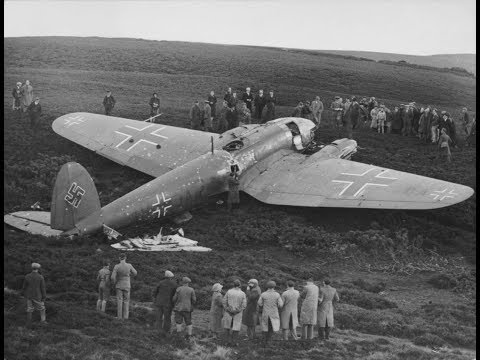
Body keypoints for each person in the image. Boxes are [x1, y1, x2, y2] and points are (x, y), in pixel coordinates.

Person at [111, 253, 137, 320]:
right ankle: (125, 317)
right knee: (126, 301)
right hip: (127, 285)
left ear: (119, 258)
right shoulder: (129, 265)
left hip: (119, 285)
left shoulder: (116, 266)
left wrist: (114, 282)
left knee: (119, 300)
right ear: (125, 258)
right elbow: (135, 273)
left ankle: (119, 317)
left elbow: (112, 277)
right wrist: (130, 275)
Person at [257, 280, 284, 345]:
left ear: (267, 287)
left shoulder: (263, 294)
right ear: (274, 286)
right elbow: (281, 305)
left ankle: (264, 341)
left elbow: (259, 303)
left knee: (265, 327)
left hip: (266, 313)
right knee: (272, 327)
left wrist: (264, 304)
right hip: (274, 313)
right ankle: (270, 341)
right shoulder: (277, 294)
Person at [222, 279, 246, 346]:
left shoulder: (229, 292)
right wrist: (237, 311)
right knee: (236, 328)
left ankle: (227, 342)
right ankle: (234, 342)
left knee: (227, 327)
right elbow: (244, 305)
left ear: (233, 285)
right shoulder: (242, 293)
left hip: (228, 312)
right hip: (237, 313)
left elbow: (224, 301)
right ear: (240, 285)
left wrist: (227, 309)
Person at [153, 270, 177, 337]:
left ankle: (158, 331)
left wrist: (155, 299)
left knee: (158, 317)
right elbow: (175, 295)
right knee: (167, 318)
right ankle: (166, 332)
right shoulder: (174, 284)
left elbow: (155, 292)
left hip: (159, 303)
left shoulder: (160, 283)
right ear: (170, 277)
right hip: (168, 304)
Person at [23, 262, 47, 327]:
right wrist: (44, 296)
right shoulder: (40, 277)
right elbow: (43, 288)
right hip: (38, 296)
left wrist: (25, 294)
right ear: (38, 269)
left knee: (30, 309)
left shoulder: (27, 276)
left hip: (29, 296)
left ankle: (29, 322)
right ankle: (43, 321)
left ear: (32, 268)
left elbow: (24, 287)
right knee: (42, 308)